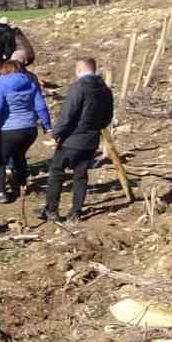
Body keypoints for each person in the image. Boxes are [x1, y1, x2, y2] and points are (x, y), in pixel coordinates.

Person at [42, 57, 114, 223]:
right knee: (80, 175)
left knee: (57, 172)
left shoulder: (78, 87)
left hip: (72, 139)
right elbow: (107, 117)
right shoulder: (105, 89)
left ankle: (51, 210)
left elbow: (68, 114)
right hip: (91, 139)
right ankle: (75, 212)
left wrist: (56, 134)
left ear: (80, 69)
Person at [0, 59, 52, 203]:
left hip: (9, 129)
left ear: (4, 70)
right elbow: (41, 107)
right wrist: (47, 126)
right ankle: (22, 186)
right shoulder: (30, 83)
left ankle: (0, 192)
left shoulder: (0, 84)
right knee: (19, 156)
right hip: (29, 129)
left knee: (0, 159)